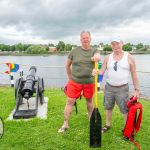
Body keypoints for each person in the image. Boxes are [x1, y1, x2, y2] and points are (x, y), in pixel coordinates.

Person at [58, 31, 101, 133]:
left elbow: (98, 57)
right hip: (75, 82)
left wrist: (97, 58)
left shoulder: (94, 50)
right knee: (70, 101)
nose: (85, 39)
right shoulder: (74, 51)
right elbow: (67, 65)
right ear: (80, 39)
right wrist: (69, 78)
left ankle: (91, 121)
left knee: (89, 102)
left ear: (90, 39)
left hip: (89, 82)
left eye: (87, 37)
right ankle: (65, 124)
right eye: (83, 38)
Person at [93, 39, 140, 133]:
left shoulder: (129, 57)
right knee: (108, 107)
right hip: (109, 87)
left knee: (125, 109)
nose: (115, 46)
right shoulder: (107, 57)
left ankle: (127, 128)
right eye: (113, 44)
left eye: (117, 43)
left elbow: (134, 74)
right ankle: (107, 125)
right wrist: (95, 72)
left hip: (122, 89)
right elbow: (101, 72)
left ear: (122, 44)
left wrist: (137, 90)